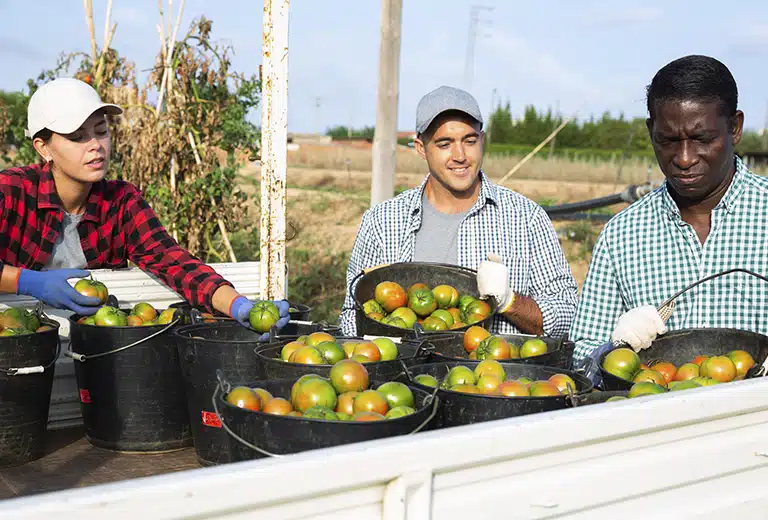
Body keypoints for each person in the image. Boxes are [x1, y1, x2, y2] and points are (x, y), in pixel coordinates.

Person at [0, 77, 288, 338]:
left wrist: (237, 305)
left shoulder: (120, 203)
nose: (95, 146)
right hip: (17, 347)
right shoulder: (11, 193)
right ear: (43, 147)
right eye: (77, 137)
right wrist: (25, 281)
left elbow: (173, 262)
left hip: (97, 348)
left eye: (101, 132)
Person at [570, 55, 768, 383]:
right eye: (668, 140)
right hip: (661, 426)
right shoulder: (622, 235)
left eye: (702, 139)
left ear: (735, 128)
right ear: (651, 131)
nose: (685, 158)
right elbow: (580, 357)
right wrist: (613, 348)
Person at [340, 85, 578, 337]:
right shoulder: (382, 222)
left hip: (493, 374)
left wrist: (509, 301)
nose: (460, 155)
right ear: (421, 148)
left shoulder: (526, 219)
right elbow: (350, 318)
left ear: (481, 140)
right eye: (444, 144)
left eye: (469, 141)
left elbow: (568, 314)